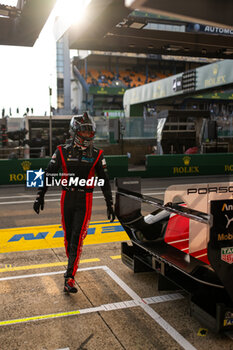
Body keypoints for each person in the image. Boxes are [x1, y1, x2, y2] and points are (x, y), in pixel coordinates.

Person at [33, 112, 115, 293]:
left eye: (89, 132)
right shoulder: (61, 150)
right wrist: (40, 195)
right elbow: (48, 174)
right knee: (69, 236)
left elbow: (105, 181)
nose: (88, 135)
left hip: (85, 199)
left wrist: (110, 203)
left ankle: (69, 277)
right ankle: (73, 263)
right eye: (84, 132)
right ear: (75, 132)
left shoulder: (98, 154)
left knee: (77, 238)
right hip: (66, 198)